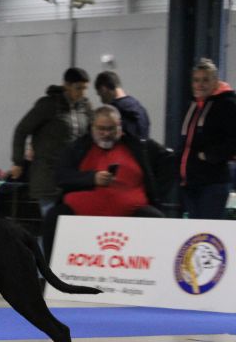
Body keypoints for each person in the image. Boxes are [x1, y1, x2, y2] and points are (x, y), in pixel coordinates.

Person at [42, 105, 169, 257]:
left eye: (111, 129)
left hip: (133, 214)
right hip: (78, 214)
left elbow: (168, 160)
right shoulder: (76, 148)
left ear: (120, 127)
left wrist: (159, 190)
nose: (106, 134)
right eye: (101, 128)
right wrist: (91, 178)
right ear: (92, 127)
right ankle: (51, 273)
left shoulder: (140, 147)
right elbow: (61, 177)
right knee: (53, 218)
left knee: (157, 220)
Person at [11, 67, 94, 217]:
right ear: (66, 85)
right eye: (78, 88)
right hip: (49, 176)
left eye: (85, 88)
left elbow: (92, 134)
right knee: (52, 224)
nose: (82, 92)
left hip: (74, 176)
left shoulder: (86, 107)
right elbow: (22, 130)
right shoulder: (48, 105)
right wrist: (18, 162)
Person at [178, 58, 236, 219]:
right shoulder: (193, 105)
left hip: (213, 183)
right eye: (196, 80)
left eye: (205, 80)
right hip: (190, 183)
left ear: (216, 81)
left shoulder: (227, 105)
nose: (200, 84)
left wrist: (210, 156)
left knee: (206, 234)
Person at [94, 71, 150, 140]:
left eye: (100, 95)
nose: (102, 101)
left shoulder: (111, 112)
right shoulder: (140, 109)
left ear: (103, 89)